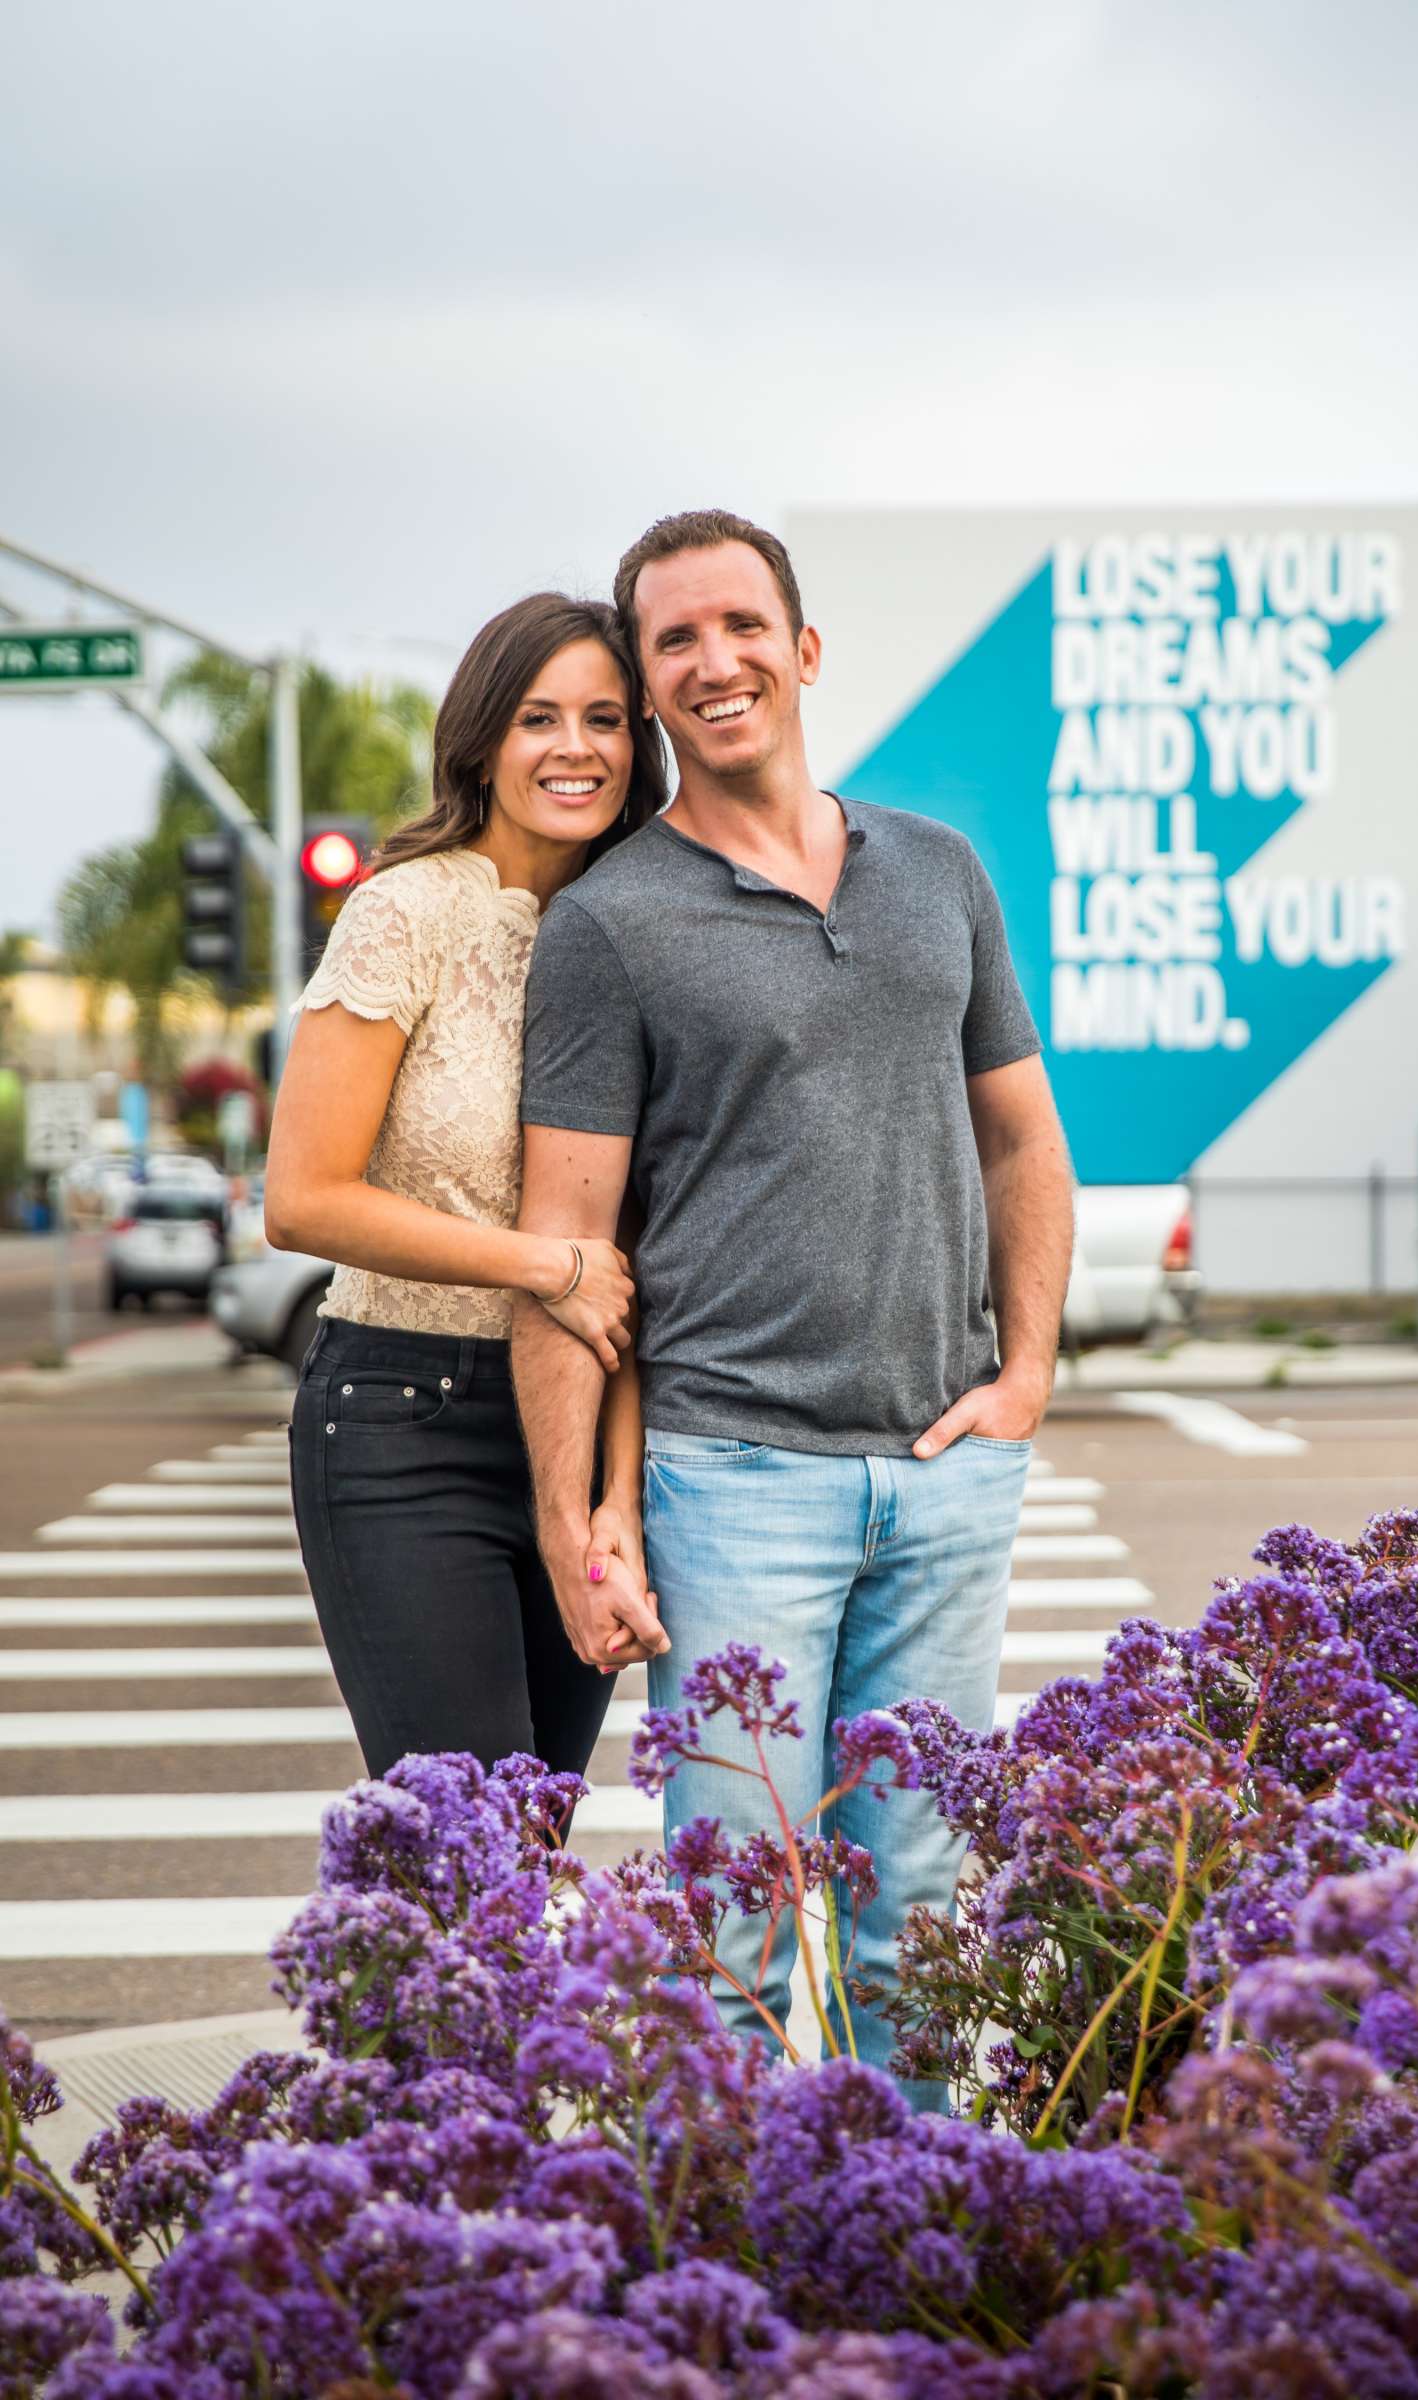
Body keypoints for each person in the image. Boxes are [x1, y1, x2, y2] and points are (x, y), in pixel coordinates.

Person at [512, 511, 1075, 2101]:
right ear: (648, 681)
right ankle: (743, 2281)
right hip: (730, 1480)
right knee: (735, 1932)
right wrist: (576, 1520)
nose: (713, 661)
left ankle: (927, 2264)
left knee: (923, 1916)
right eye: (672, 640)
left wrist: (1025, 1374)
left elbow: (1023, 1135)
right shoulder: (610, 925)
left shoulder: (937, 872)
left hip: (949, 1471)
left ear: (803, 648)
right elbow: (566, 1244)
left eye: (740, 625)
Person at [266, 594, 672, 1786]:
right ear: (483, 740)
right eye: (539, 716)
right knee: (466, 1844)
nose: (576, 747)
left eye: (605, 718)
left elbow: (644, 1250)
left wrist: (616, 1491)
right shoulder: (407, 911)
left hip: (583, 1418)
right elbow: (301, 1200)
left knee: (533, 1837)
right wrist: (544, 1264)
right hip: (401, 1422)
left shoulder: (645, 930)